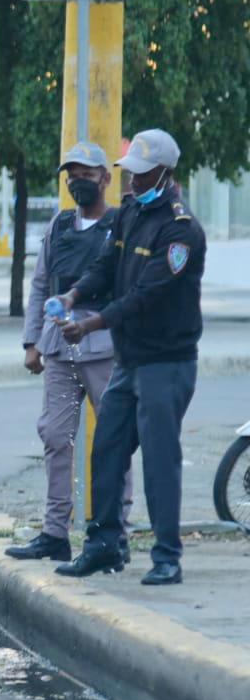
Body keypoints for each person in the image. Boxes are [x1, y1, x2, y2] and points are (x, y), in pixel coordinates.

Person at [54, 128, 206, 586]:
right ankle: (104, 546)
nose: (132, 182)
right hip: (132, 360)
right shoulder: (128, 216)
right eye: (130, 173)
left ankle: (167, 558)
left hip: (167, 362)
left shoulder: (181, 231)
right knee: (108, 447)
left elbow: (146, 296)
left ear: (164, 172)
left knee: (160, 461)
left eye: (141, 175)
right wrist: (75, 294)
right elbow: (106, 268)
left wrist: (91, 324)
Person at [7, 142, 133, 563]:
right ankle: (54, 532)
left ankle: (118, 532)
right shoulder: (59, 226)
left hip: (105, 350)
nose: (78, 180)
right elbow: (41, 285)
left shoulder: (121, 226)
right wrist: (31, 342)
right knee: (55, 437)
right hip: (60, 350)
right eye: (71, 174)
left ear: (105, 178)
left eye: (86, 173)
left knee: (114, 441)